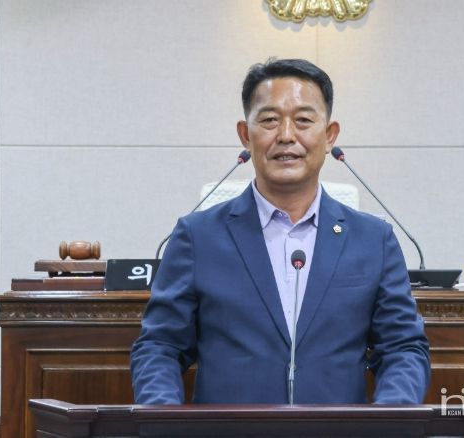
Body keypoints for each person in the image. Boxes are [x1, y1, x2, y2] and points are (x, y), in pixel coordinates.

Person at [130, 58, 430, 404]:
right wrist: (163, 416)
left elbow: (403, 348)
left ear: (329, 135)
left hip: (340, 429)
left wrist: (391, 417)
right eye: (270, 120)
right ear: (245, 135)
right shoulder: (197, 237)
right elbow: (160, 346)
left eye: (303, 120)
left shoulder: (373, 240)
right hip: (226, 429)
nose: (286, 136)